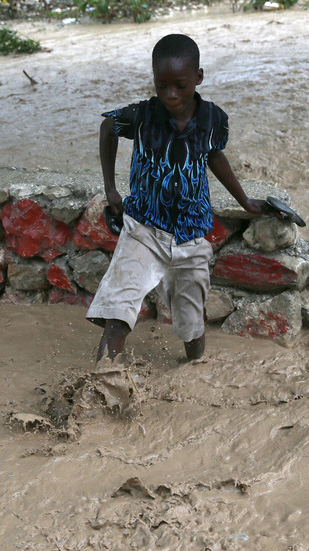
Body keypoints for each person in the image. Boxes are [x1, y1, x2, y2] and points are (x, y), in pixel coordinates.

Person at [87, 33, 273, 363]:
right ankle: (102, 390)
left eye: (180, 85)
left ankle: (194, 371)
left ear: (198, 78)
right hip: (142, 230)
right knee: (118, 315)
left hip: (190, 238)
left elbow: (215, 157)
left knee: (191, 326)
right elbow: (107, 128)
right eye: (162, 85)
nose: (170, 95)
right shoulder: (142, 115)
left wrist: (246, 201)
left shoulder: (214, 119)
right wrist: (111, 189)